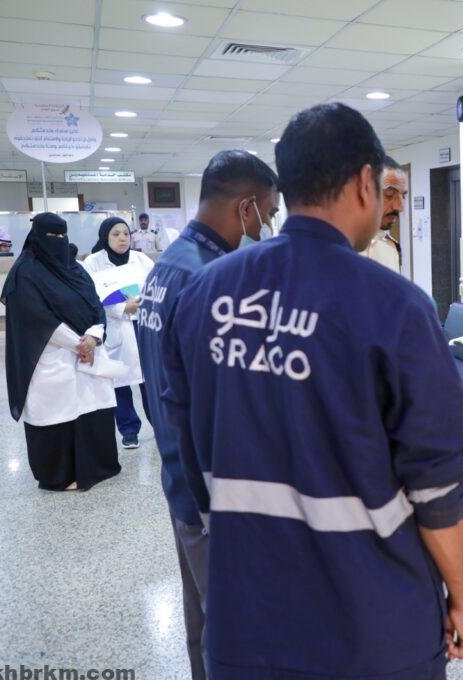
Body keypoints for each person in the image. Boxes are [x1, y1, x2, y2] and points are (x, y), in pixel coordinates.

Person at [162, 103, 463, 678]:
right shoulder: (397, 307)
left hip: (244, 619)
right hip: (371, 628)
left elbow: (186, 444)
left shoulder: (204, 294)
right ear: (364, 182)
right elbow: (440, 487)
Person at [136, 149, 279, 680]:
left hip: (179, 475)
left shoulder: (169, 265)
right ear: (246, 207)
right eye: (268, 212)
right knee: (236, 627)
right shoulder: (212, 280)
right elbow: (224, 400)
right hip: (211, 490)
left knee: (203, 617)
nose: (268, 226)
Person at [1, 212, 121, 491]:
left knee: (92, 407)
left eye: (62, 235)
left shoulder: (74, 267)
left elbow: (95, 303)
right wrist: (78, 343)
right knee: (59, 412)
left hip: (89, 350)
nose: (58, 241)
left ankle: (97, 466)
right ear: (36, 237)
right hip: (50, 353)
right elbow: (36, 318)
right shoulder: (26, 272)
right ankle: (60, 475)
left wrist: (94, 336)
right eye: (51, 236)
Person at [82, 217, 155, 449]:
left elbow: (156, 286)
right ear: (105, 237)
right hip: (114, 327)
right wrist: (122, 308)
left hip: (142, 325)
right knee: (120, 382)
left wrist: (142, 303)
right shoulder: (93, 262)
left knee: (150, 381)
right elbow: (91, 297)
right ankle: (129, 430)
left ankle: (160, 425)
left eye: (126, 233)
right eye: (116, 234)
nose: (122, 238)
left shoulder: (141, 259)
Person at [360, 155, 406, 273]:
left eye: (403, 196)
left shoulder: (390, 248)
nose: (400, 207)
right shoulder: (331, 249)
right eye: (389, 194)